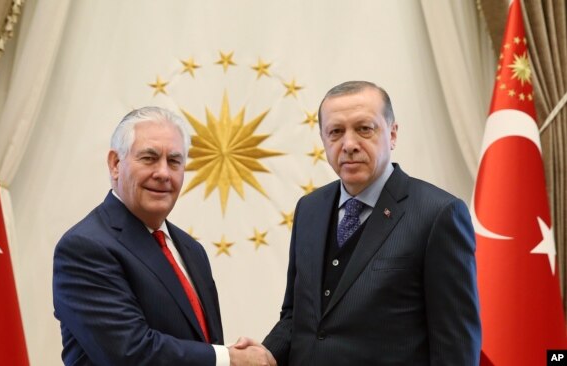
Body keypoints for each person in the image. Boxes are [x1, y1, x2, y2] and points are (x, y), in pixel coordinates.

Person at [260, 81, 481, 364]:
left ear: (392, 134)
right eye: (336, 132)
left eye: (364, 128)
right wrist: (263, 354)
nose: (349, 145)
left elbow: (456, 347)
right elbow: (296, 316)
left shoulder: (439, 214)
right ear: (323, 138)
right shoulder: (309, 210)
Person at [53, 106, 275, 366]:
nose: (163, 173)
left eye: (174, 161)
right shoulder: (85, 247)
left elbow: (201, 345)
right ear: (115, 164)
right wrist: (230, 359)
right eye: (149, 158)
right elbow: (130, 353)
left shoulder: (191, 250)